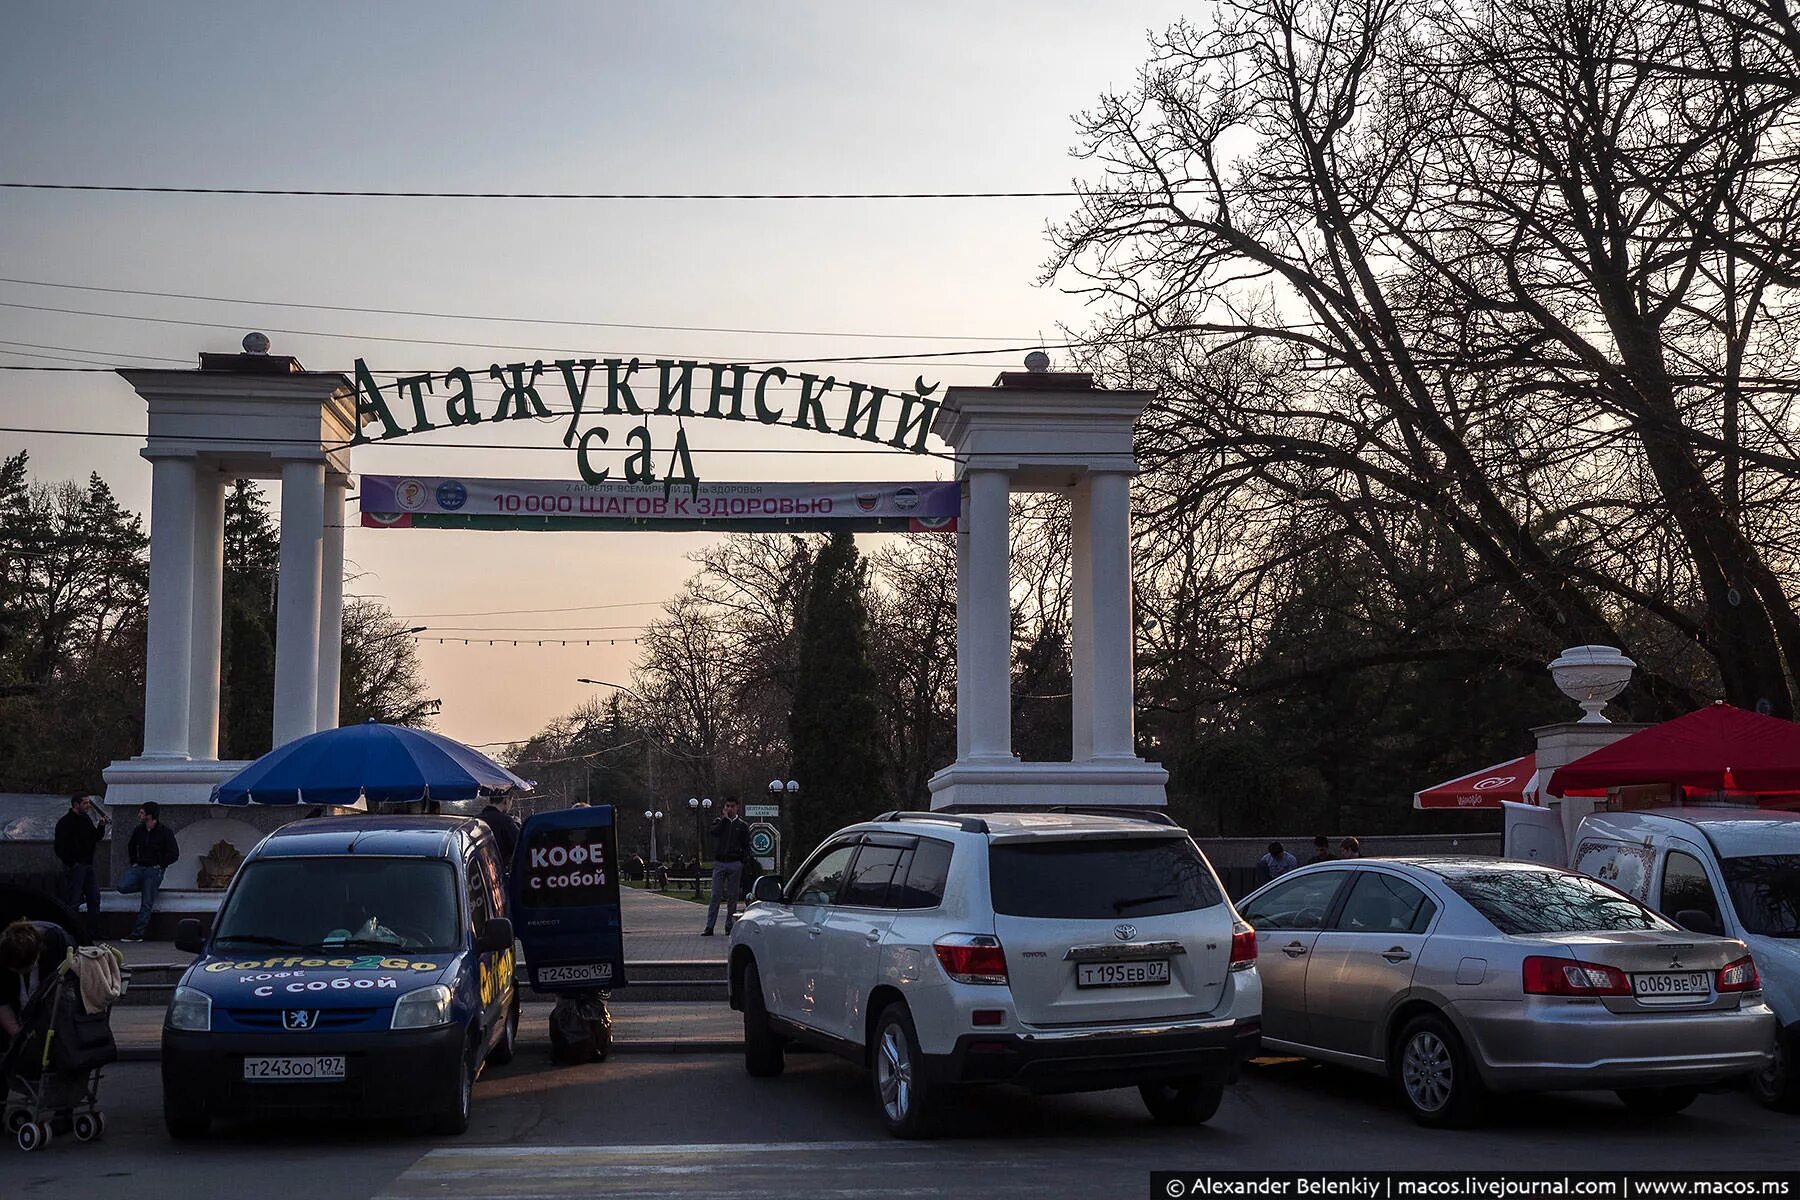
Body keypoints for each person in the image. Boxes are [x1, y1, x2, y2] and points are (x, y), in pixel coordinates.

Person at [0, 919, 71, 1055]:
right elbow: (1, 1000)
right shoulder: (6, 950)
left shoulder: (57, 942)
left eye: (24, 970)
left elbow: (60, 996)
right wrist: (18, 1035)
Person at [117, 803, 178, 942]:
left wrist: (161, 864)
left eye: (142, 813)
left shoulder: (164, 832)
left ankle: (137, 933)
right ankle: (147, 887)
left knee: (146, 903)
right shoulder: (139, 830)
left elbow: (174, 853)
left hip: (154, 869)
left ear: (149, 816)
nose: (139, 815)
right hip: (140, 867)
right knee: (122, 886)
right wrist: (134, 861)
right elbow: (131, 845)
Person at [54, 794, 109, 925]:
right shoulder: (65, 822)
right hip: (76, 865)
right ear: (76, 804)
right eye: (85, 803)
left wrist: (101, 826)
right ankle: (71, 927)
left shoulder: (86, 820)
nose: (88, 806)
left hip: (87, 864)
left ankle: (93, 928)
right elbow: (60, 846)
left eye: (88, 803)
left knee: (94, 897)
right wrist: (71, 862)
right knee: (74, 899)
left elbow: (94, 838)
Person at [703, 797, 753, 936]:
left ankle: (729, 925)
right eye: (727, 806)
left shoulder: (742, 825)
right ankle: (709, 926)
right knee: (715, 895)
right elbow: (714, 833)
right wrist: (724, 820)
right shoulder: (719, 822)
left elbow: (747, 845)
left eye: (732, 806)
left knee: (732, 896)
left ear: (737, 807)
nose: (729, 808)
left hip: (734, 863)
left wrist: (742, 861)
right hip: (720, 863)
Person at [478, 793, 522, 868]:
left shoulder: (476, 820)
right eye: (511, 801)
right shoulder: (506, 821)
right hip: (500, 870)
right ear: (506, 800)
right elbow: (520, 848)